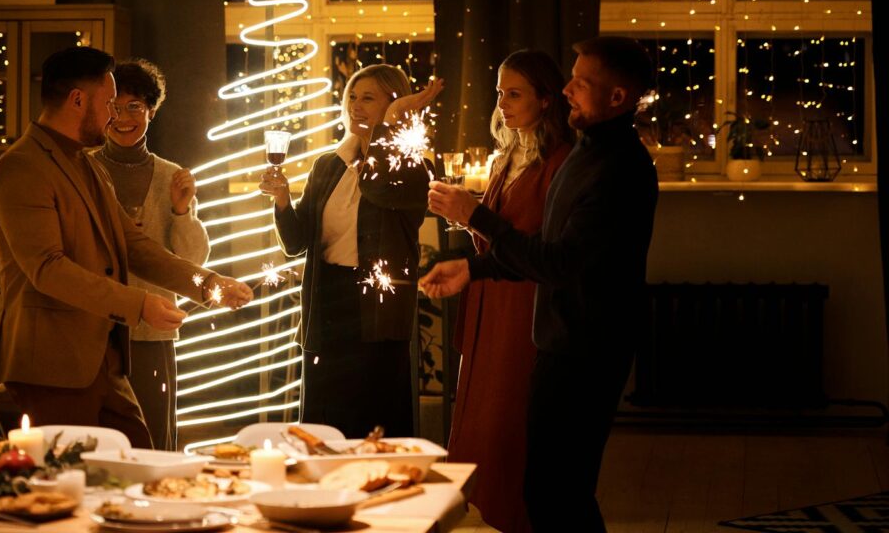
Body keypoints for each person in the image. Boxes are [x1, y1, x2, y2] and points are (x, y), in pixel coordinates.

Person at [422, 36, 658, 532]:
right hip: (559, 341)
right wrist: (474, 269)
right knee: (549, 488)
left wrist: (476, 218)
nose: (568, 88)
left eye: (581, 82)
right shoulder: (587, 154)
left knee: (558, 492)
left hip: (587, 350)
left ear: (618, 98)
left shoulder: (620, 170)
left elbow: (560, 263)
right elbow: (545, 250)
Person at [0, 46, 252, 449]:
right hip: (51, 364)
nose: (114, 115)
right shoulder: (22, 166)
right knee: (68, 484)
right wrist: (139, 304)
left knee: (142, 459)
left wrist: (207, 283)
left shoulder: (86, 164)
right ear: (78, 100)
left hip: (103, 360)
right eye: (108, 103)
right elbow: (48, 268)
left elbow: (133, 244)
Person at [429, 50, 575, 533]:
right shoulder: (510, 152)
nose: (503, 104)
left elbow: (538, 244)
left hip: (522, 305)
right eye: (499, 93)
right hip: (490, 296)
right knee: (475, 421)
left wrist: (473, 215)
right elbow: (495, 233)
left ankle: (510, 519)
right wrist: (465, 220)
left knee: (505, 422)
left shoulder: (558, 161)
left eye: (515, 94)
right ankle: (474, 517)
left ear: (546, 98)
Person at [258, 64, 442, 439]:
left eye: (369, 99)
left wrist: (391, 124)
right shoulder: (328, 164)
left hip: (376, 308)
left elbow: (378, 188)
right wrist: (281, 200)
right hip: (327, 304)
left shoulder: (412, 167)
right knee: (324, 425)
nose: (356, 106)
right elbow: (296, 243)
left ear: (396, 104)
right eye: (352, 98)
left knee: (371, 425)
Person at [88, 58, 208, 451]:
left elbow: (192, 259)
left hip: (151, 327)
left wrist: (179, 210)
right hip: (93, 324)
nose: (123, 118)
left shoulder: (172, 176)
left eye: (134, 107)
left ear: (151, 111)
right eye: (114, 107)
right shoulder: (83, 169)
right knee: (99, 438)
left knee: (153, 437)